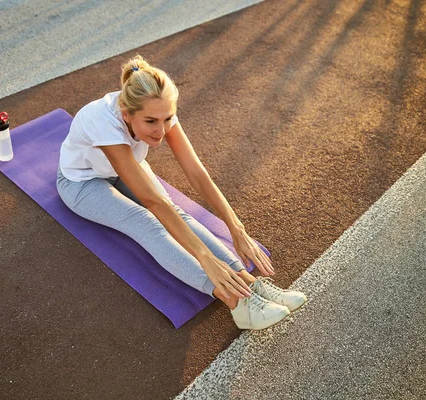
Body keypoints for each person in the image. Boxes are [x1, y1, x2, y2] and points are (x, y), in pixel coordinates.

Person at [56, 55, 306, 330]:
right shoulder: (101, 121)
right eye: (151, 121)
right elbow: (152, 201)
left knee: (176, 213)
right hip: (82, 183)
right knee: (146, 221)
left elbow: (197, 173)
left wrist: (236, 228)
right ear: (126, 114)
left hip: (123, 169)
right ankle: (236, 301)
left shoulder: (157, 110)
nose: (161, 131)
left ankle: (251, 286)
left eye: (168, 119)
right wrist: (205, 258)